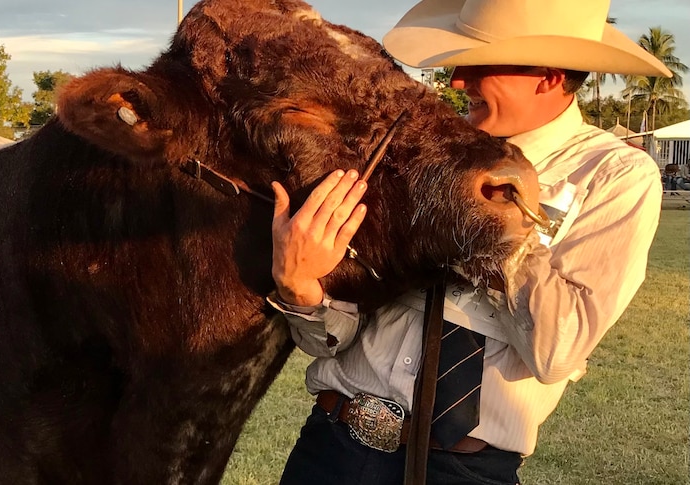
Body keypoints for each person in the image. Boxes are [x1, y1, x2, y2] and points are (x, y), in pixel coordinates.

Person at [267, 0, 671, 483]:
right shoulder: (421, 153)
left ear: (547, 76)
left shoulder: (616, 175)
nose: (458, 80)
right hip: (331, 446)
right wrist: (301, 288)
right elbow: (334, 339)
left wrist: (493, 221)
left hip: (461, 469)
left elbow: (557, 349)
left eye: (479, 64)